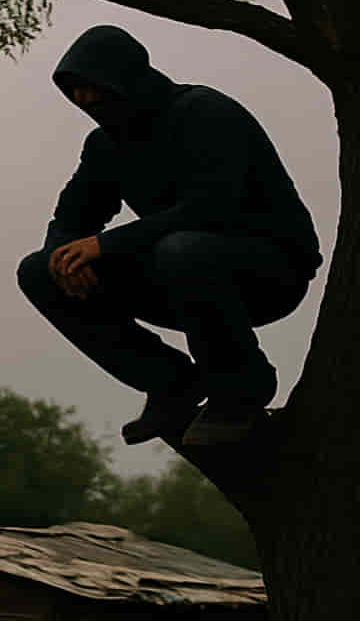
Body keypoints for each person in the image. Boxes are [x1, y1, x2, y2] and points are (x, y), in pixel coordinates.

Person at [17, 25, 322, 447]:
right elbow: (72, 219)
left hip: (269, 271)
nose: (84, 100)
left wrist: (104, 245)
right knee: (38, 271)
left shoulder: (204, 112)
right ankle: (171, 382)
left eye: (93, 87)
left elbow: (212, 209)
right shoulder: (105, 145)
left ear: (126, 78)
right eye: (73, 90)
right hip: (178, 272)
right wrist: (61, 259)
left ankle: (239, 389)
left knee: (183, 248)